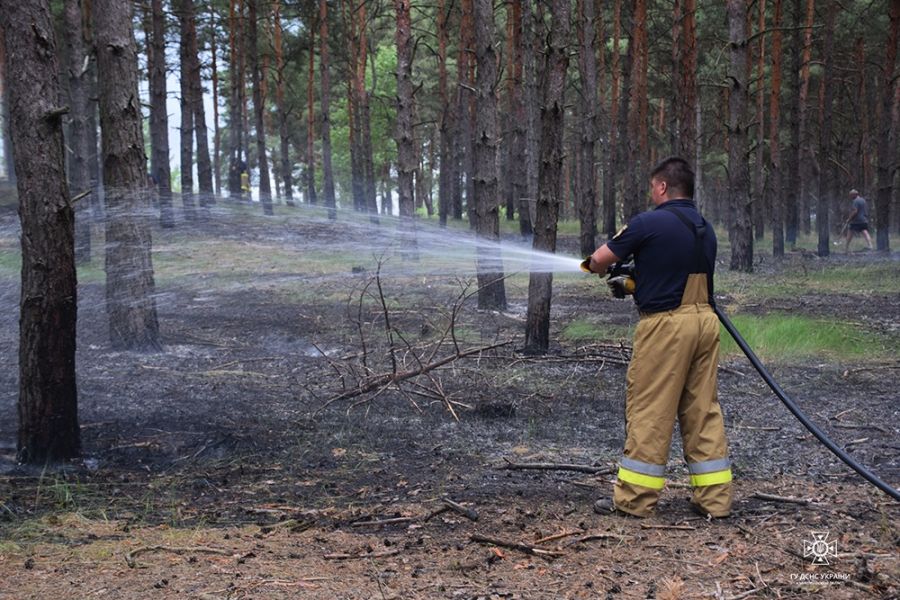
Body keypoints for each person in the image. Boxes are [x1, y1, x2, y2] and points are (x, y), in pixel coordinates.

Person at [585, 157, 732, 518]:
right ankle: (715, 500)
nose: (651, 193)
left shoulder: (647, 223)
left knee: (650, 409)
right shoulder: (704, 227)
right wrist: (638, 279)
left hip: (666, 328)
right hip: (705, 322)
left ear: (663, 186)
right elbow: (673, 269)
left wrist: (589, 266)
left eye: (653, 187)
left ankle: (634, 500)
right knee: (703, 411)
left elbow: (599, 261)